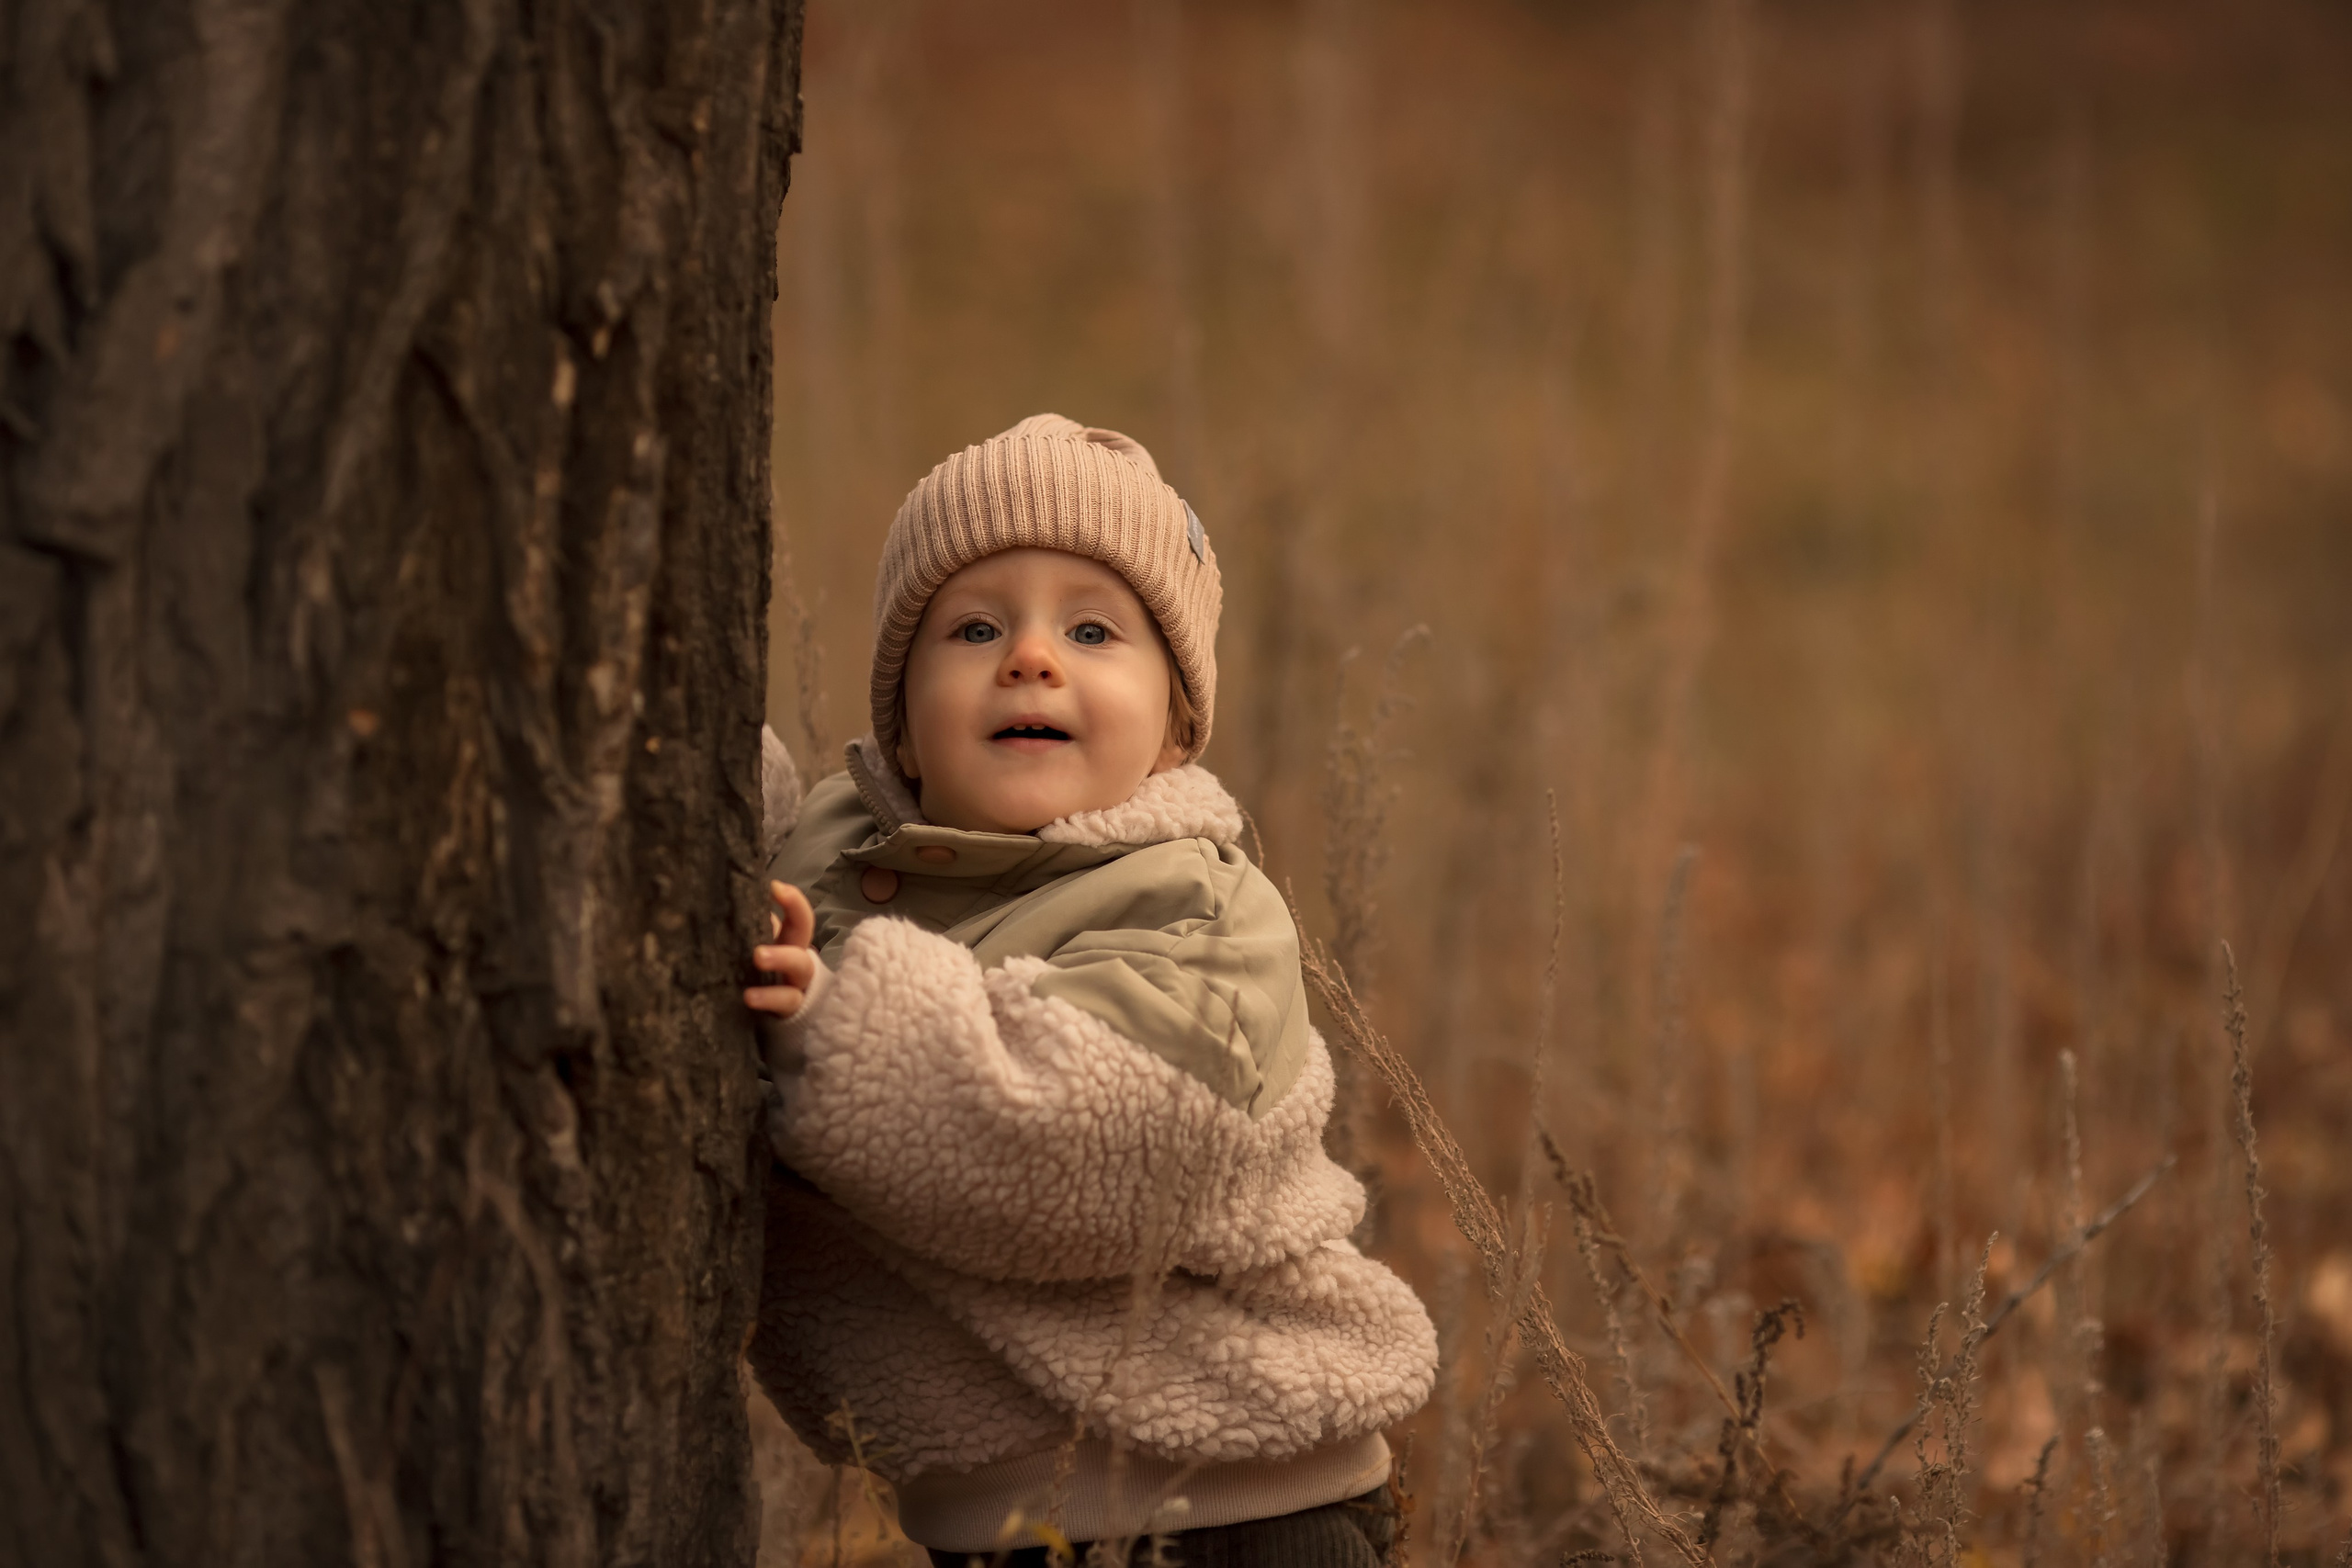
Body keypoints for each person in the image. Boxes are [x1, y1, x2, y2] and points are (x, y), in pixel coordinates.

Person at [745, 414, 1436, 1567]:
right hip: (1002, 1515)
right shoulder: (839, 849)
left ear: (1175, 725)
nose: (1030, 656)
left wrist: (830, 1022)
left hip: (1240, 1506)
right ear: (902, 718)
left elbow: (1069, 1137)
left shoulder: (1197, 910)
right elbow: (736, 828)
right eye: (973, 626)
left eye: (1091, 628)